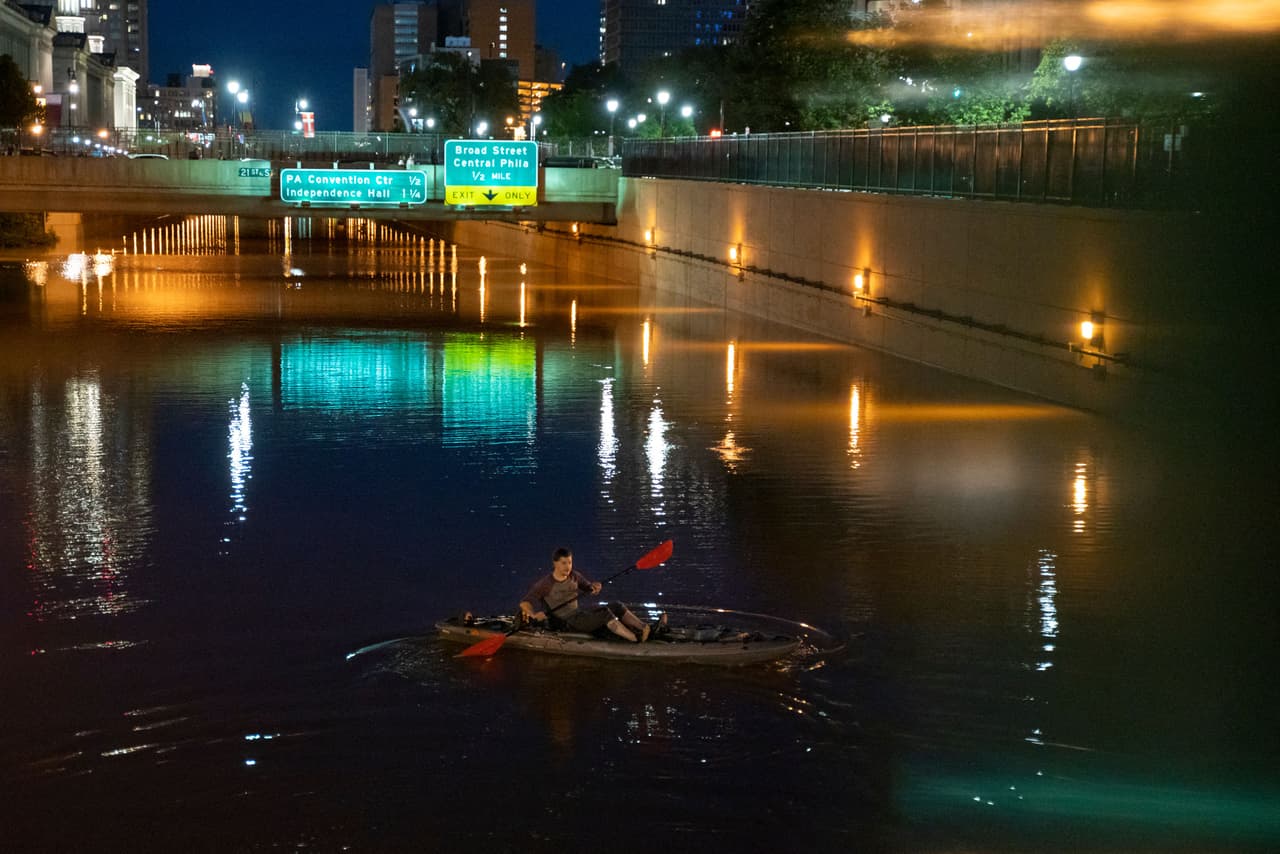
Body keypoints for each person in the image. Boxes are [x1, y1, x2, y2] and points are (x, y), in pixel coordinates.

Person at [519, 547, 652, 642]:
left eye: (570, 562)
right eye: (564, 563)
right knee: (605, 614)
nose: (568, 567)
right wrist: (534, 615)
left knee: (617, 606)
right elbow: (525, 602)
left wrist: (595, 587)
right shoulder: (546, 583)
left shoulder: (575, 576)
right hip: (566, 623)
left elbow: (590, 589)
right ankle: (635, 639)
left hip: (579, 616)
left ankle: (643, 627)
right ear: (555, 564)